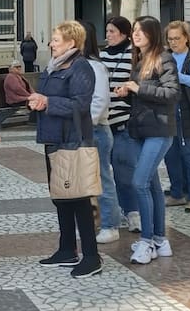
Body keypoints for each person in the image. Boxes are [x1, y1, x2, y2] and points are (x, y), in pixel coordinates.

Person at [29, 20, 103, 278]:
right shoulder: (54, 66)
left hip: (72, 140)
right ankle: (66, 249)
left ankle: (92, 256)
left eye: (56, 40)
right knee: (61, 197)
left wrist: (48, 102)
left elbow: (80, 104)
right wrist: (37, 100)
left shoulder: (80, 66)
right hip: (54, 139)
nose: (51, 44)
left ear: (71, 42)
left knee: (79, 198)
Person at [114, 17, 179, 266]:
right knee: (151, 186)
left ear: (153, 33)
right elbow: (142, 97)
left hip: (159, 130)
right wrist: (127, 93)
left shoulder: (163, 58)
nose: (136, 34)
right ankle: (160, 240)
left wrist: (138, 89)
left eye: (141, 31)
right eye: (134, 30)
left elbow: (172, 93)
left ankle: (147, 241)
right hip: (142, 129)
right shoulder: (140, 60)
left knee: (139, 183)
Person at [79, 21, 119, 243]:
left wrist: (87, 123)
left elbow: (101, 100)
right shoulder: (72, 64)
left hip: (95, 130)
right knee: (83, 180)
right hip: (80, 130)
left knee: (102, 178)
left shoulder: (95, 66)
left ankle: (110, 225)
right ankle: (90, 221)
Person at [163, 20, 190, 213]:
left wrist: (178, 77)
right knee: (171, 155)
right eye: (170, 39)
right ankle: (177, 193)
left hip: (189, 113)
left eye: (177, 38)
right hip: (169, 112)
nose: (173, 42)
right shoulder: (166, 57)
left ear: (186, 39)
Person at [100, 16, 138, 232]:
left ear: (124, 33)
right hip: (104, 121)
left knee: (125, 172)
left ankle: (133, 212)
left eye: (112, 31)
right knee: (104, 174)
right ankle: (112, 213)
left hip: (124, 121)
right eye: (107, 31)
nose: (108, 35)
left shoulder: (133, 54)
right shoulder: (102, 55)